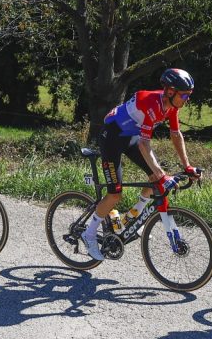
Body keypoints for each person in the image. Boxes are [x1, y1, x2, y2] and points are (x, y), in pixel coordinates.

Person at [82, 68, 200, 261]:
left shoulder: (172, 106)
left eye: (189, 95)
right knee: (114, 194)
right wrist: (163, 174)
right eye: (185, 95)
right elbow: (145, 144)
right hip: (112, 137)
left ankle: (129, 218)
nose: (187, 99)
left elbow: (175, 135)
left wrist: (187, 166)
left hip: (130, 137)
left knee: (155, 181)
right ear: (170, 92)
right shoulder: (152, 103)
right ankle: (89, 235)